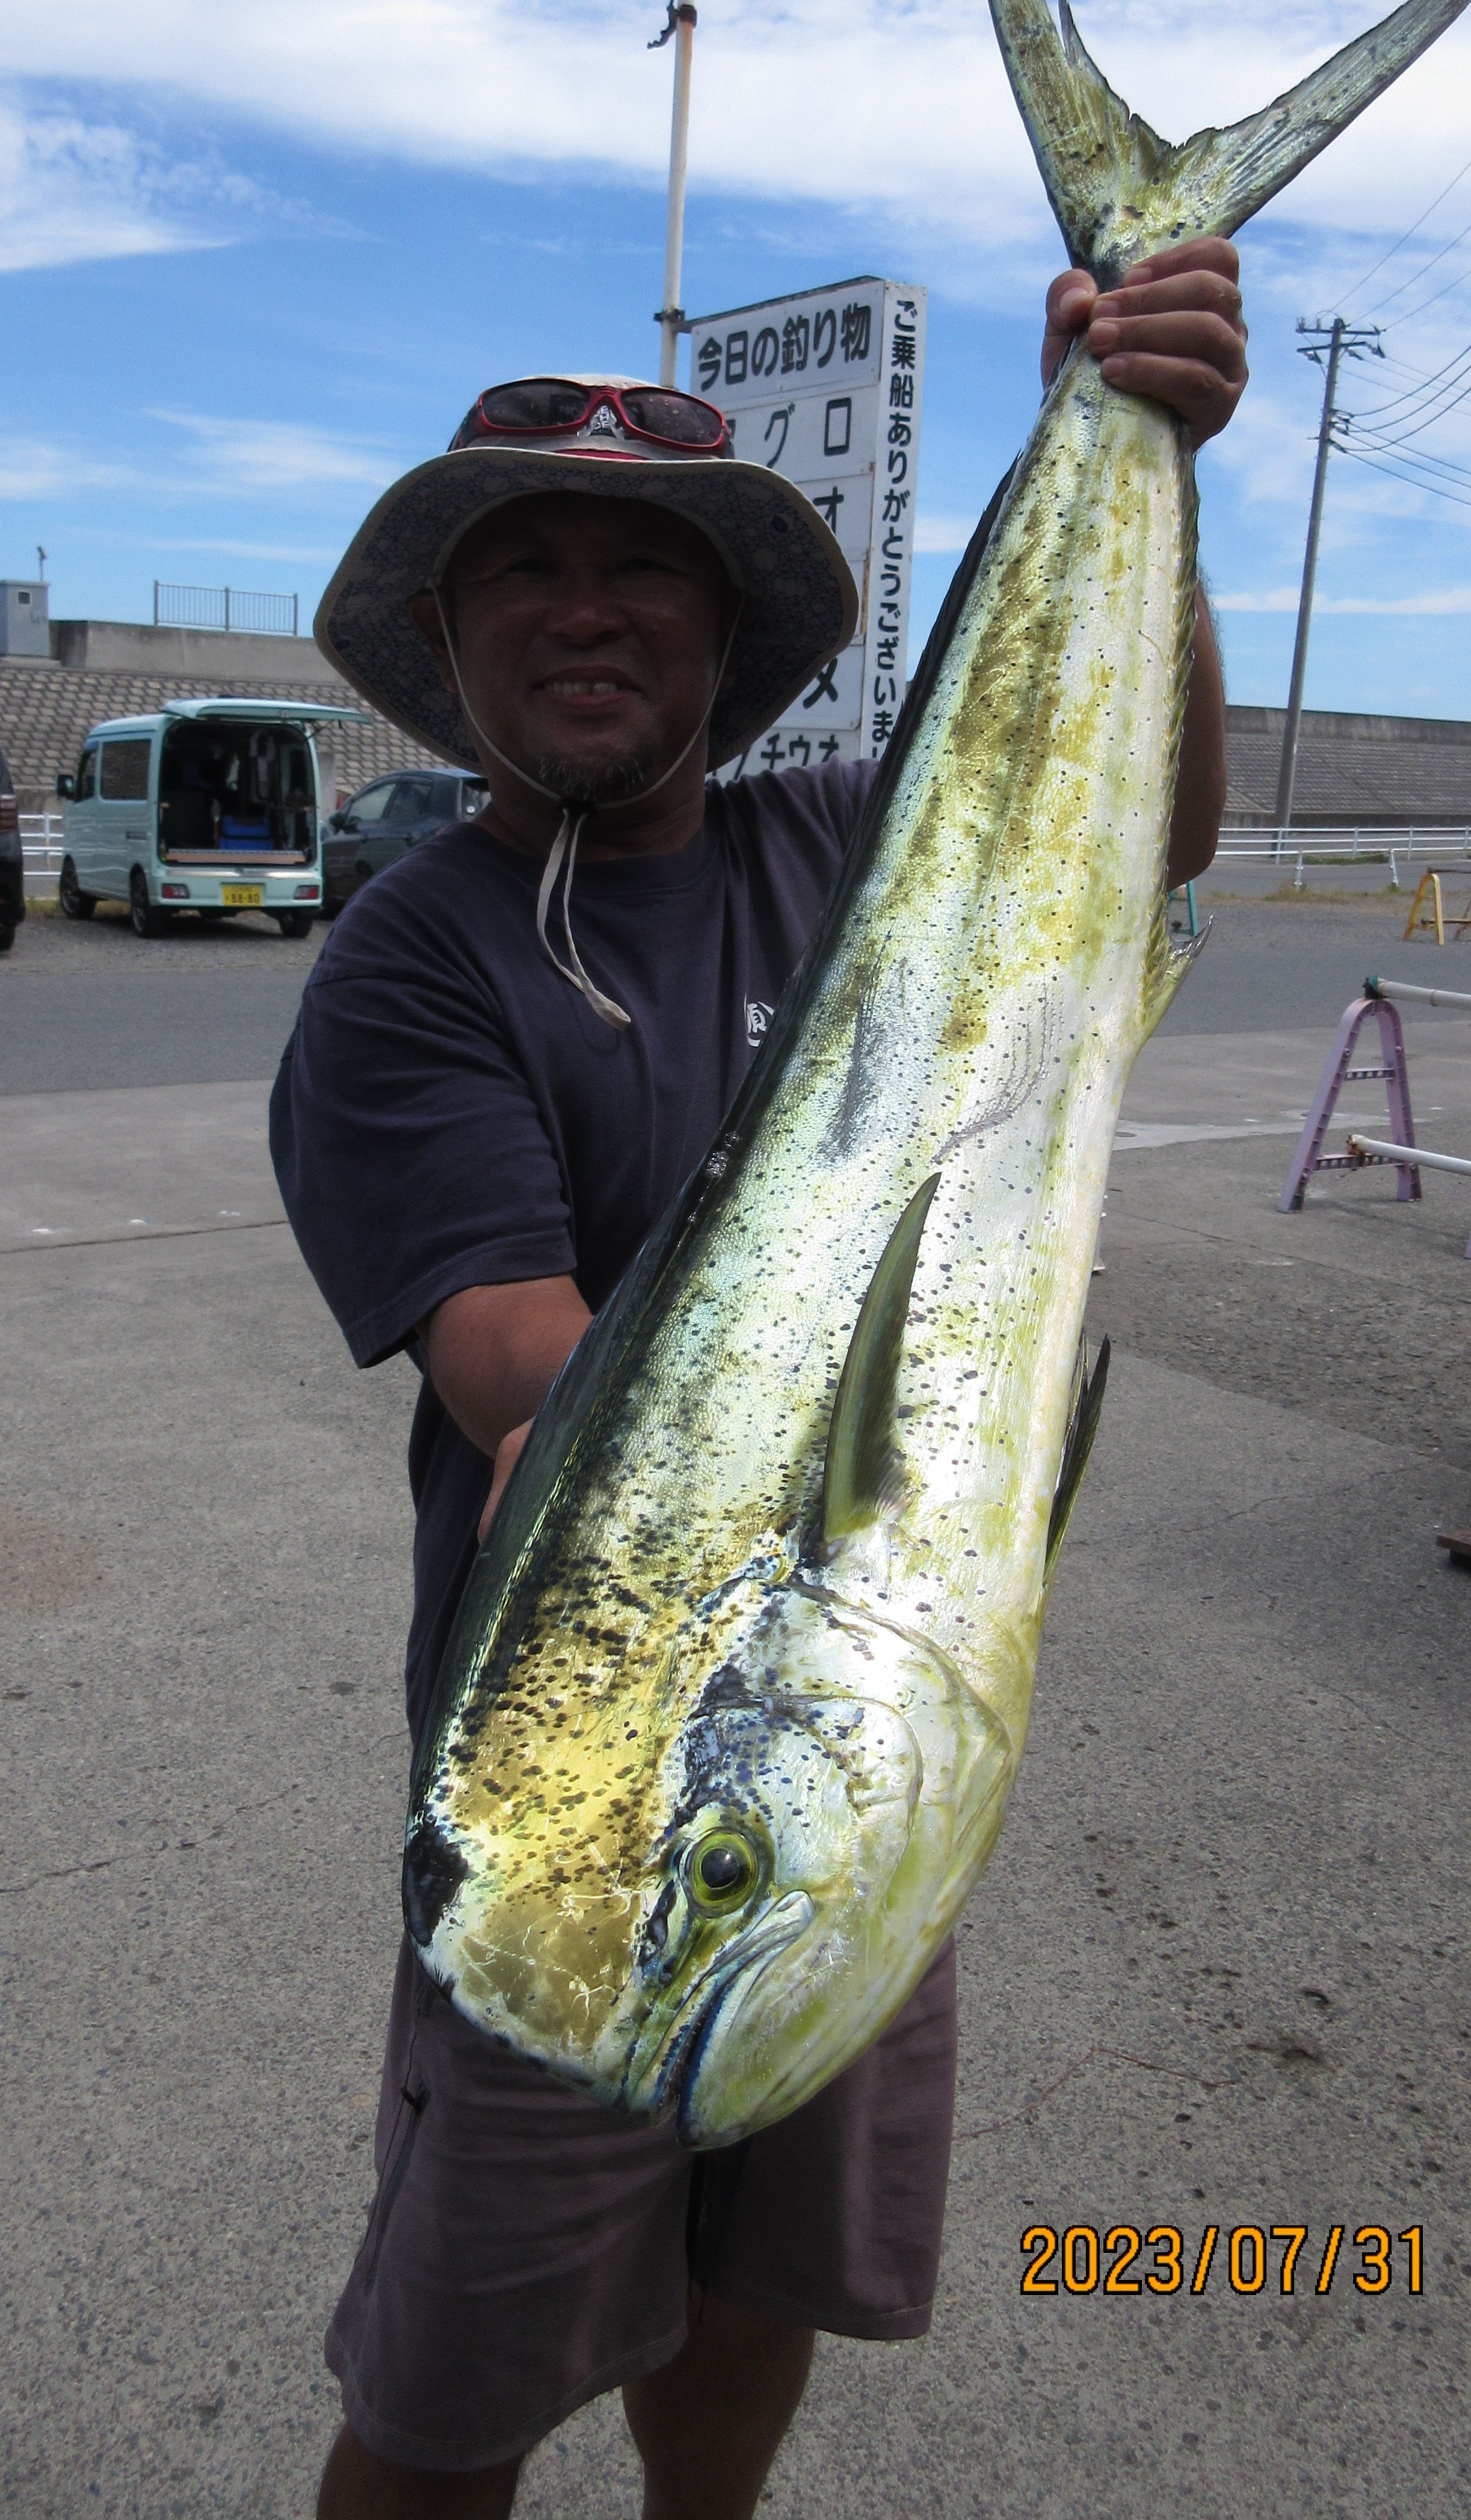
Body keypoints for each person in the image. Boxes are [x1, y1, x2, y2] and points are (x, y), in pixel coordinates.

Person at [271, 243, 1246, 2519]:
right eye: (527, 570)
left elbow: (1151, 833)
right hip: (586, 1818)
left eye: (644, 568)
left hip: (861, 1763)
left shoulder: (852, 849)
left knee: (763, 2289)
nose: (586, 612)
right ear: (446, 638)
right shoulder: (408, 962)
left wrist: (1149, 456)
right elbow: (512, 1361)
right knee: (454, 2386)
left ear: (728, 636)